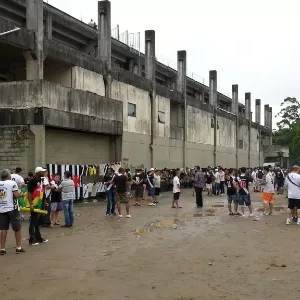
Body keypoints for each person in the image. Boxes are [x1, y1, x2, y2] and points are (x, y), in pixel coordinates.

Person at [0, 169, 25, 255]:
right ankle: (18, 247)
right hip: (12, 208)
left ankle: (2, 248)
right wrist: (22, 194)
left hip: (2, 208)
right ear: (8, 175)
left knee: (3, 229)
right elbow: (16, 195)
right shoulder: (12, 183)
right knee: (17, 228)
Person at [27, 167, 49, 246]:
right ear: (38, 172)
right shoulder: (32, 181)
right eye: (42, 172)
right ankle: (31, 239)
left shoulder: (41, 180)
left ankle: (38, 238)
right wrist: (31, 205)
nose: (44, 173)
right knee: (33, 222)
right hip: (35, 203)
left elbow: (42, 191)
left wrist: (45, 201)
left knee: (38, 222)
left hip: (41, 203)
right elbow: (29, 193)